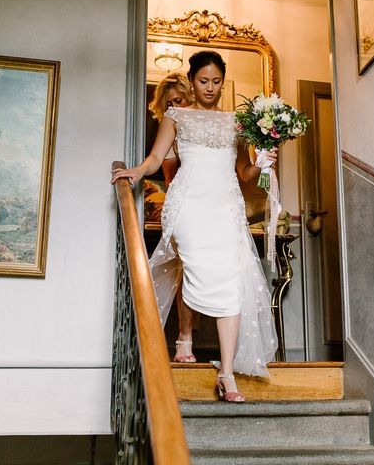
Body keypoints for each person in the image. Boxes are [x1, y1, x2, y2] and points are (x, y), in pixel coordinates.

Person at [112, 51, 278, 402]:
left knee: (232, 280)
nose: (210, 88)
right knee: (197, 267)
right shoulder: (176, 116)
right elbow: (157, 158)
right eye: (203, 81)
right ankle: (183, 339)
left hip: (225, 207)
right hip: (188, 205)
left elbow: (244, 173)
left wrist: (263, 161)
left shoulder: (236, 121)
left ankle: (227, 374)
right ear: (192, 80)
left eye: (217, 82)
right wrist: (136, 172)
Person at [148, 72, 199, 363]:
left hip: (213, 204)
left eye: (178, 100)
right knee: (186, 272)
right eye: (168, 104)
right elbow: (169, 178)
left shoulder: (207, 120)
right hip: (184, 203)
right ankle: (185, 339)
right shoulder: (169, 133)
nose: (174, 107)